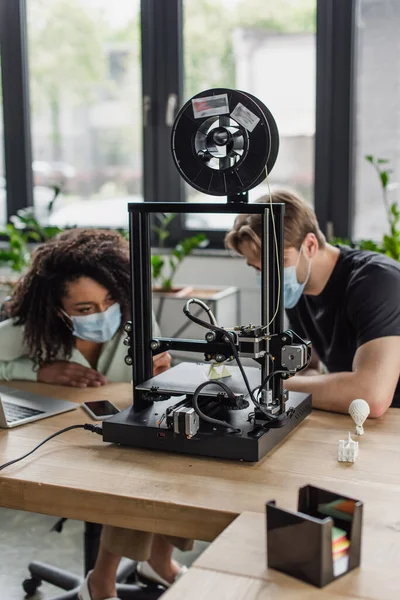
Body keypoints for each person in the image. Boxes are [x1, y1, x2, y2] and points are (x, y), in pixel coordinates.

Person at [0, 229, 191, 600]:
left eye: (109, 301)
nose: (102, 315)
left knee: (170, 455)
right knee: (139, 471)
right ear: (58, 310)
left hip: (120, 433)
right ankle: (102, 583)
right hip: (57, 444)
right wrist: (36, 371)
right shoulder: (31, 330)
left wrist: (164, 373)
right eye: (85, 310)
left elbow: (154, 379)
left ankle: (158, 562)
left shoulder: (134, 319)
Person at [225, 189, 400, 417]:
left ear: (309, 245)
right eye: (258, 268)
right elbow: (306, 368)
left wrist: (264, 383)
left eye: (278, 263)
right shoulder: (296, 288)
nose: (270, 277)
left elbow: (371, 396)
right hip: (354, 419)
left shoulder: (376, 282)